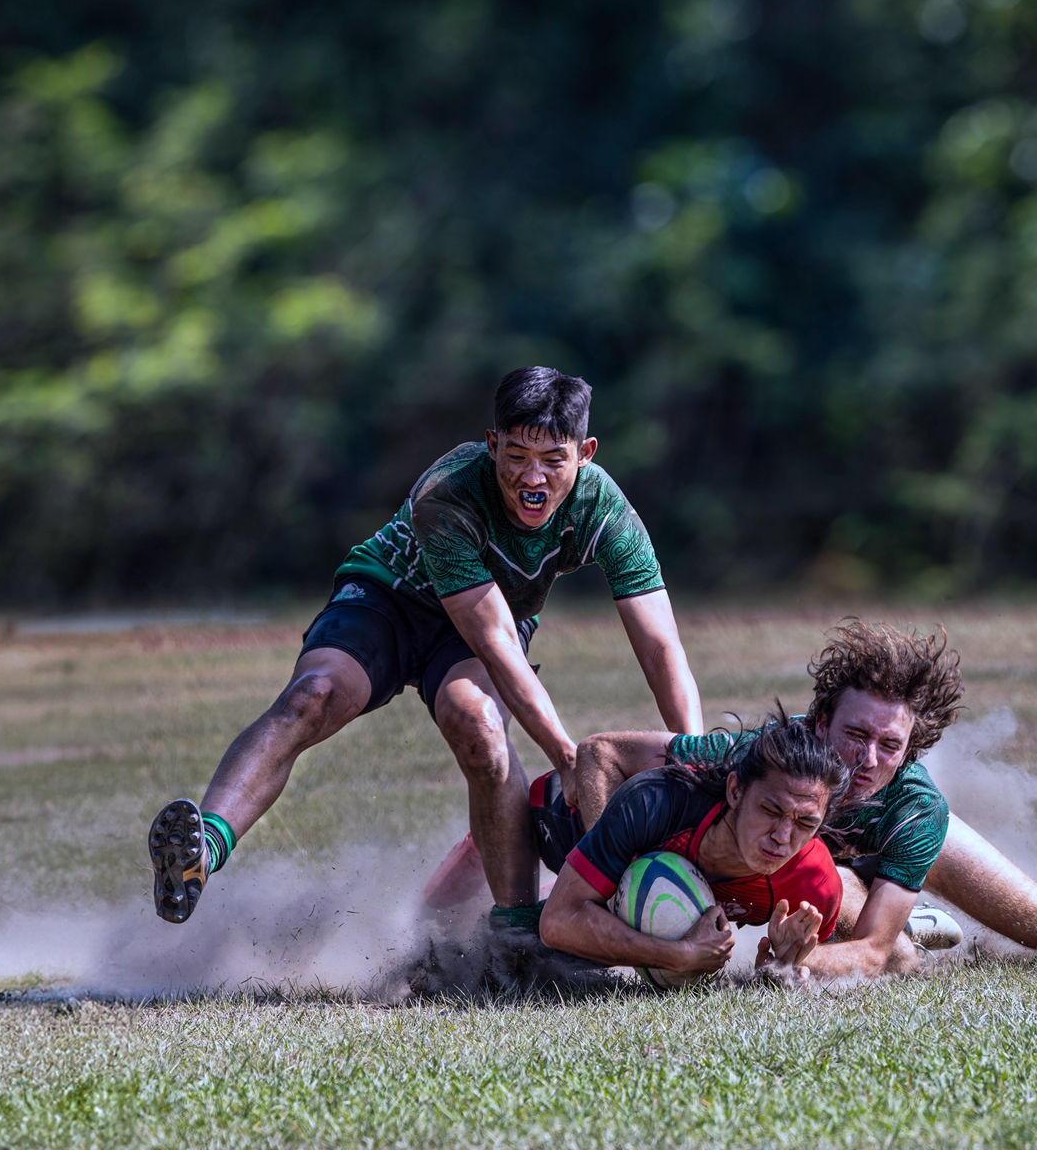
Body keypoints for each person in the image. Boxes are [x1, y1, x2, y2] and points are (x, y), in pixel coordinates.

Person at [147, 366, 705, 931]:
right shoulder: (451, 491)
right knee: (312, 696)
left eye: (552, 461)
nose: (532, 478)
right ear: (492, 445)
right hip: (388, 600)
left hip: (481, 623)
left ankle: (514, 930)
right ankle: (201, 851)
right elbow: (495, 645)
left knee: (482, 730)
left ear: (584, 453)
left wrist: (697, 756)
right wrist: (567, 758)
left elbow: (660, 645)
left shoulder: (605, 509)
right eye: (515, 456)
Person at [437, 619, 1037, 977]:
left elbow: (863, 952)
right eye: (853, 736)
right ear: (820, 719)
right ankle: (902, 916)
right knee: (822, 880)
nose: (867, 760)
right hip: (795, 843)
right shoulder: (759, 760)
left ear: (911, 749)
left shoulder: (911, 810)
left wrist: (791, 966)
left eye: (889, 746)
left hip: (855, 853)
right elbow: (600, 753)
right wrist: (622, 881)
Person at [536, 717, 847, 981]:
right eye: (770, 810)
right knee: (537, 956)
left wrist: (781, 968)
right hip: (558, 816)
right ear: (736, 791)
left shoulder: (816, 883)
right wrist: (679, 955)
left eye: (805, 823)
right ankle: (520, 909)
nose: (782, 836)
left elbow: (802, 971)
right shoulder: (657, 801)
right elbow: (558, 922)